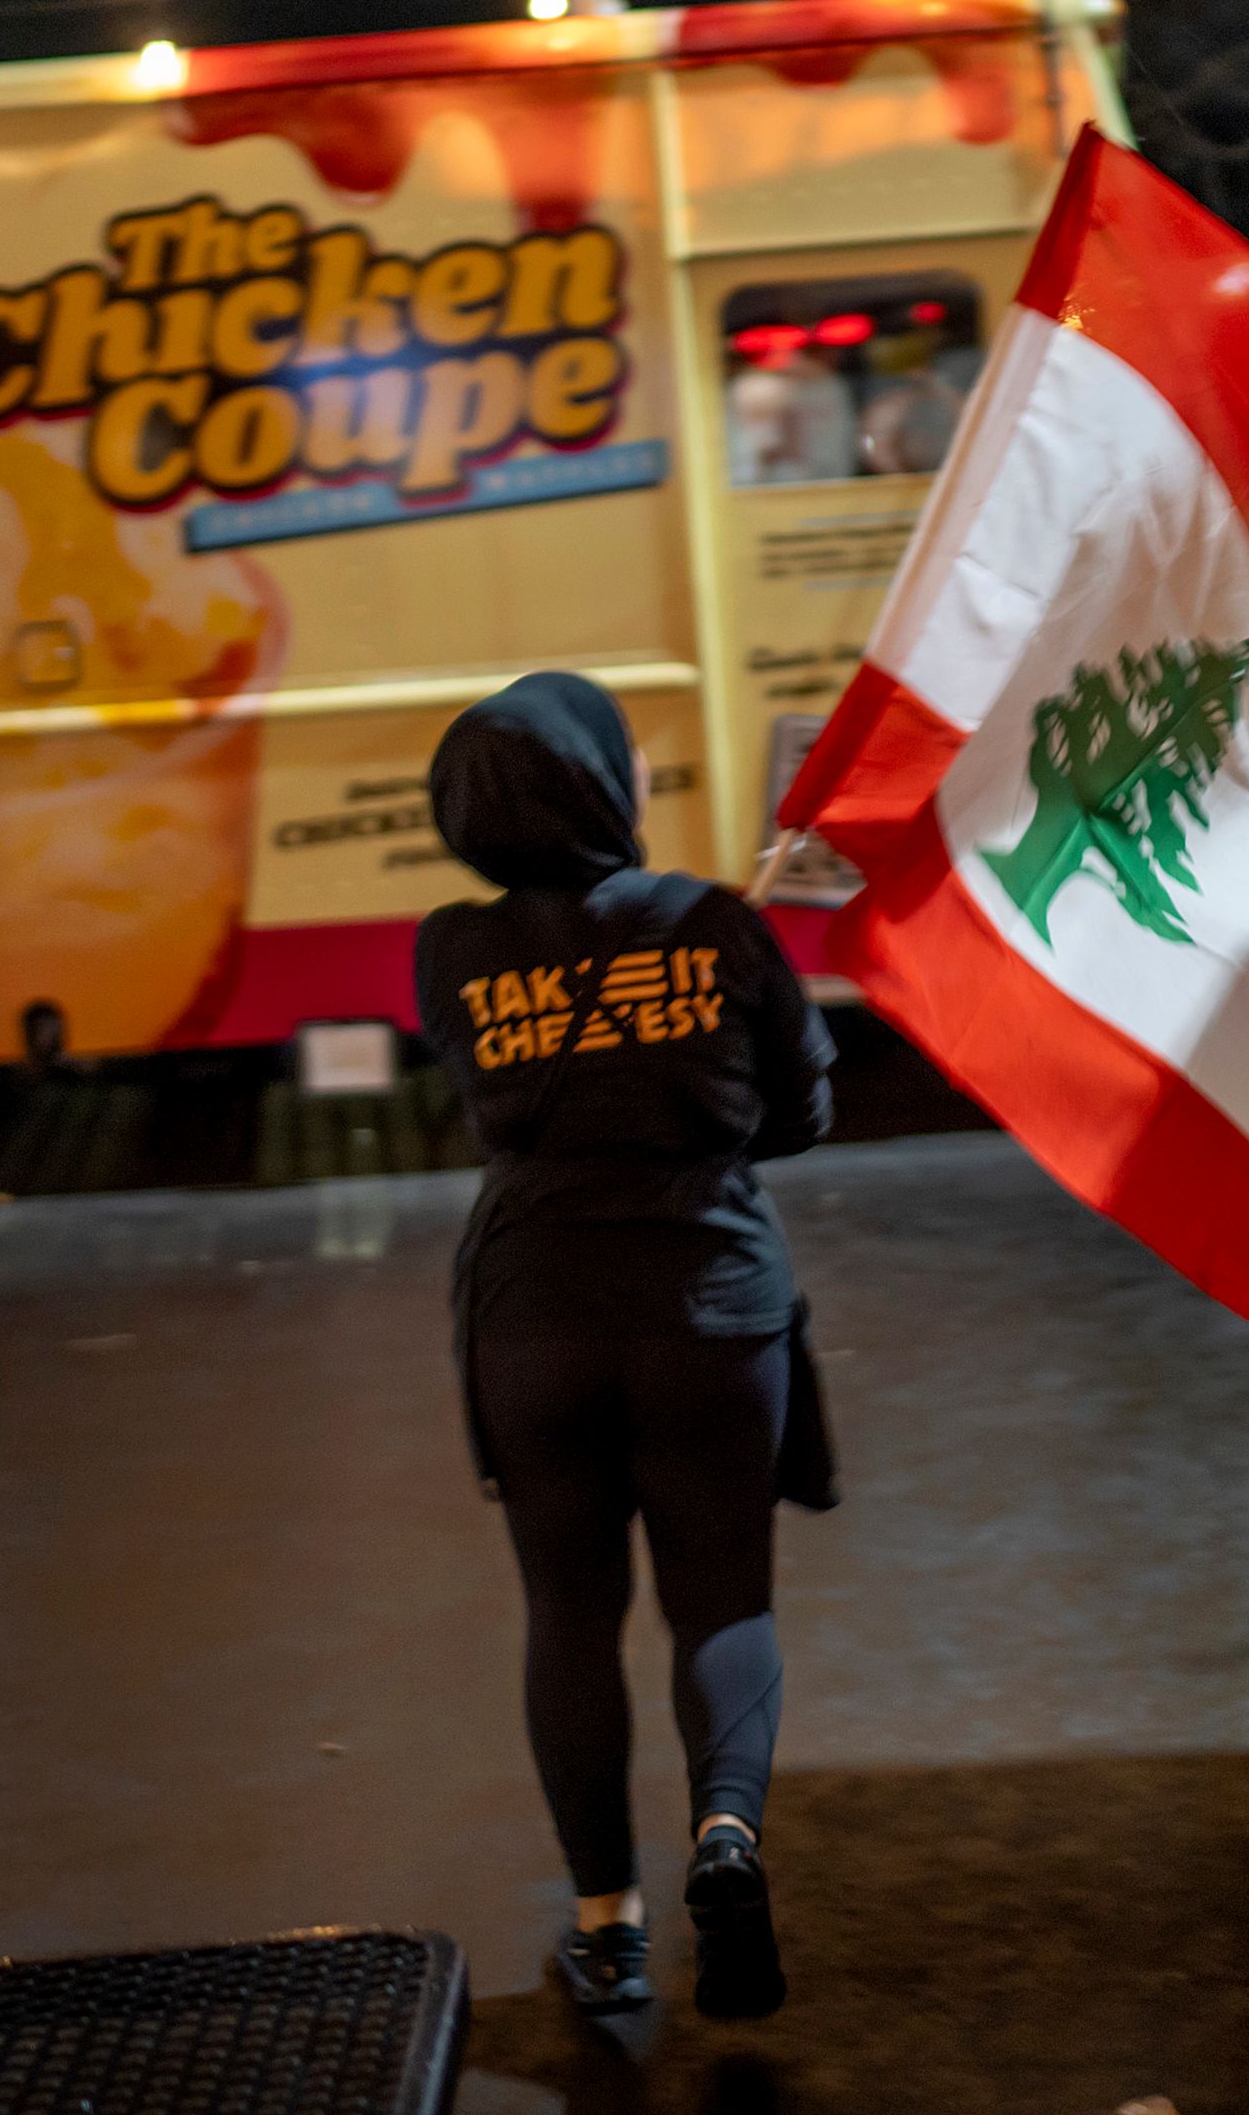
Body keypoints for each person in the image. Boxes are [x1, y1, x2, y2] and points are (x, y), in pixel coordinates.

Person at [417, 673, 839, 2016]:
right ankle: (725, 1835)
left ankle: (606, 1927)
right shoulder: (714, 923)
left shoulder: (451, 948)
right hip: (711, 1304)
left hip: (532, 1319)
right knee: (722, 1600)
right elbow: (804, 1112)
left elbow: (494, 1106)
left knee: (569, 1615)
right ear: (604, 785)